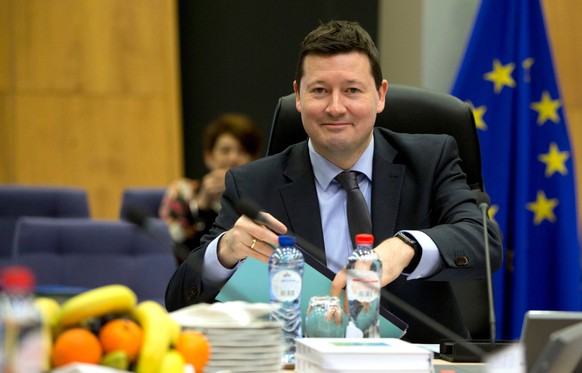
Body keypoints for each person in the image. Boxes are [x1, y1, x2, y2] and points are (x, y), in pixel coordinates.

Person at [165, 20, 503, 343]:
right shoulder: (253, 184)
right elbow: (180, 300)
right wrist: (223, 254)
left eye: (352, 90)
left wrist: (405, 248)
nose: (335, 107)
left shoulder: (430, 160)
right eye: (320, 91)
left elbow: (482, 241)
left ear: (380, 95)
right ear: (298, 96)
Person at [159, 113, 262, 263]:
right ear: (209, 156)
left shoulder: (261, 194)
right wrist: (201, 205)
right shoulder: (182, 191)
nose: (233, 158)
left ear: (254, 159)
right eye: (225, 150)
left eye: (242, 151)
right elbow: (169, 247)